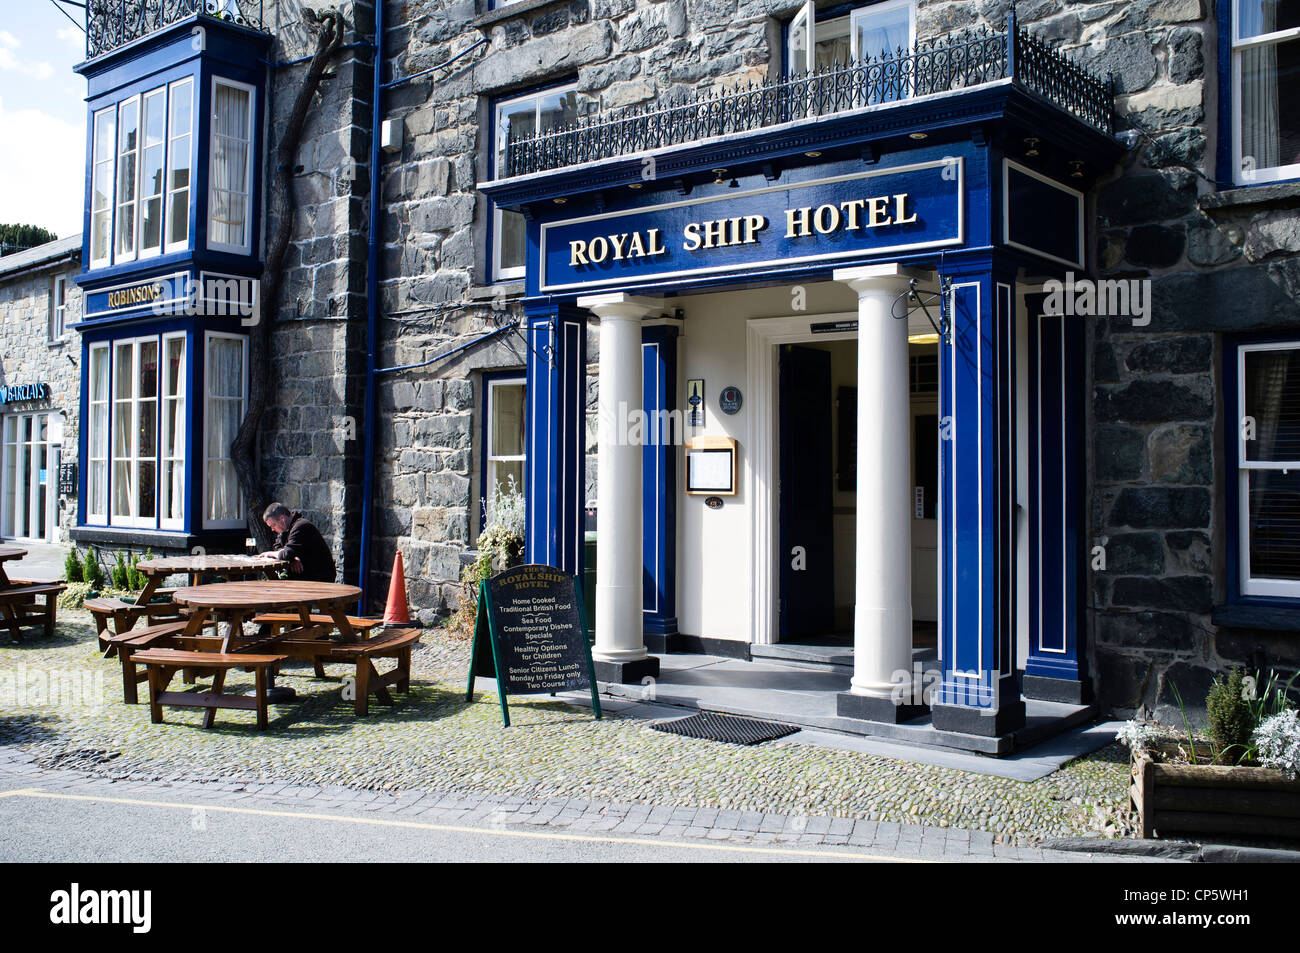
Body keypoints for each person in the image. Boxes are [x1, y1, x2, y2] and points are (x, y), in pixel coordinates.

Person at [260, 503, 337, 583]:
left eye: (273, 525)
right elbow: (278, 547)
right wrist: (292, 559)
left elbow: (287, 553)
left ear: (282, 518)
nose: (272, 529)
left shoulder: (300, 526)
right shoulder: (286, 529)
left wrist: (270, 554)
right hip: (305, 576)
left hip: (318, 577)